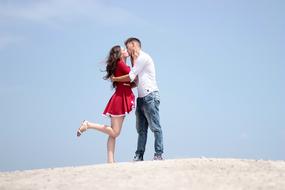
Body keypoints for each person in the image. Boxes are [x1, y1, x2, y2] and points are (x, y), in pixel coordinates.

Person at [76, 45, 135, 163]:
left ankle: (110, 161)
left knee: (113, 133)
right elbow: (132, 75)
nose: (126, 50)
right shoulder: (121, 64)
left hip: (120, 97)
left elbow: (128, 79)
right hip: (120, 99)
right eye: (123, 50)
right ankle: (88, 124)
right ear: (119, 54)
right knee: (115, 132)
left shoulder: (121, 64)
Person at [112, 37, 164, 161]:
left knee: (155, 127)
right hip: (141, 98)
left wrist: (115, 79)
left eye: (127, 46)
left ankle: (158, 154)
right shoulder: (136, 60)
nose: (126, 49)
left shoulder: (143, 58)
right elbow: (135, 81)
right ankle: (139, 155)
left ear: (134, 45)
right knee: (141, 130)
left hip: (150, 96)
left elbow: (131, 76)